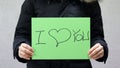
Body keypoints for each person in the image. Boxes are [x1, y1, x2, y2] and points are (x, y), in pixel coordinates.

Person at [13, 0, 108, 68]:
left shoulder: (91, 3)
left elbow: (97, 36)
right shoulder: (32, 2)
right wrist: (20, 48)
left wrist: (100, 47)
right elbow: (21, 35)